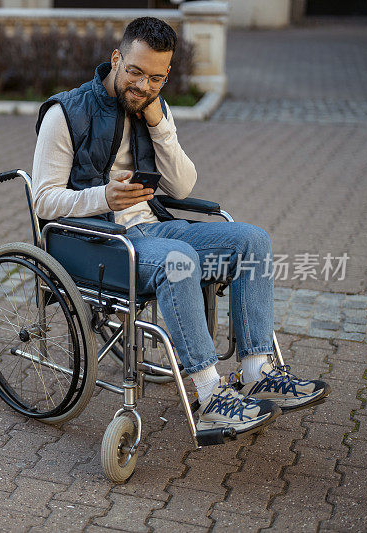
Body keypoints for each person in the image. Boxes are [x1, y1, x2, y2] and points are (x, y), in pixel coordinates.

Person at [32, 16, 329, 434]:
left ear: (167, 74)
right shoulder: (66, 112)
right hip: (93, 240)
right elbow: (43, 199)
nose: (142, 86)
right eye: (134, 72)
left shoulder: (154, 107)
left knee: (252, 240)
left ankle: (256, 371)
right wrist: (103, 197)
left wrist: (158, 124)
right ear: (116, 58)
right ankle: (210, 394)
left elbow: (183, 185)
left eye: (156, 78)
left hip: (152, 228)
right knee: (180, 260)